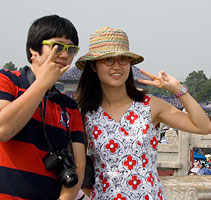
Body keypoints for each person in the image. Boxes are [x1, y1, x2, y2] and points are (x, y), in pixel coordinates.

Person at [75, 26, 211, 200]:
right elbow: (79, 165)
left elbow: (204, 126)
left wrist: (178, 90)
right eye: (108, 60)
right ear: (94, 66)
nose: (117, 66)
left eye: (123, 59)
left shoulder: (151, 105)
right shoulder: (86, 113)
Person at [0, 15, 85, 200]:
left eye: (71, 49)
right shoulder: (7, 80)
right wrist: (42, 84)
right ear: (34, 49)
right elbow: (3, 129)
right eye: (57, 46)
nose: (64, 55)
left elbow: (79, 164)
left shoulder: (69, 107)